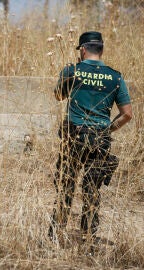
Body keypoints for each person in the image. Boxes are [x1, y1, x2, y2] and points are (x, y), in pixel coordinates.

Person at [48, 31, 133, 247]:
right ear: (101, 50)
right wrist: (107, 131)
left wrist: (70, 74)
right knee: (92, 189)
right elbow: (127, 114)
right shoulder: (115, 76)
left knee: (66, 186)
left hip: (74, 136)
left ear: (83, 50)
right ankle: (87, 237)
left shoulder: (72, 71)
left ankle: (56, 235)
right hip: (100, 138)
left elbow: (59, 96)